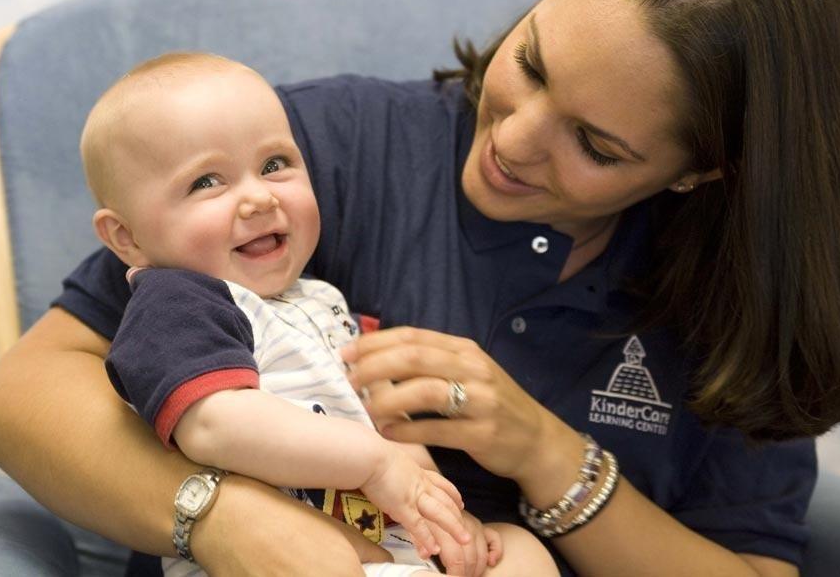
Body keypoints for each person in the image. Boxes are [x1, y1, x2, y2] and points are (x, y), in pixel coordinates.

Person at [0, 0, 840, 575]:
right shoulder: (313, 159)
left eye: (595, 145)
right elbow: (22, 395)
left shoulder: (742, 297)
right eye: (533, 62)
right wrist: (228, 520)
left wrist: (548, 455)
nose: (511, 139)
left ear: (702, 173)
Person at [77, 52, 555, 576]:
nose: (257, 197)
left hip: (382, 545)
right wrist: (372, 462)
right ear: (127, 238)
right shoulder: (175, 302)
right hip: (272, 556)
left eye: (274, 165)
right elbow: (214, 424)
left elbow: (386, 426)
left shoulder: (320, 299)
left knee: (518, 550)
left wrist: (443, 514)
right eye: (206, 183)